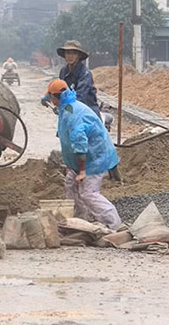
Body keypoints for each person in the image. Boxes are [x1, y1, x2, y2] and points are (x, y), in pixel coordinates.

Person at [46, 79, 121, 229]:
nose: (50, 100)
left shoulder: (74, 115)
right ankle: (80, 219)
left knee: (89, 193)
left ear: (57, 97)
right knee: (71, 185)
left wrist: (82, 171)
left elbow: (80, 146)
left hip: (94, 158)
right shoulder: (66, 104)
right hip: (78, 161)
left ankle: (114, 224)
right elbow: (51, 96)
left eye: (51, 97)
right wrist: (45, 99)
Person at [57, 40, 100, 119]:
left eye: (74, 53)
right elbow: (59, 89)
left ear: (79, 56)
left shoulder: (85, 73)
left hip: (87, 113)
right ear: (64, 55)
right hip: (70, 112)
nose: (70, 56)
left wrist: (65, 107)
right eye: (68, 53)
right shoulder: (63, 71)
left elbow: (80, 97)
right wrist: (49, 96)